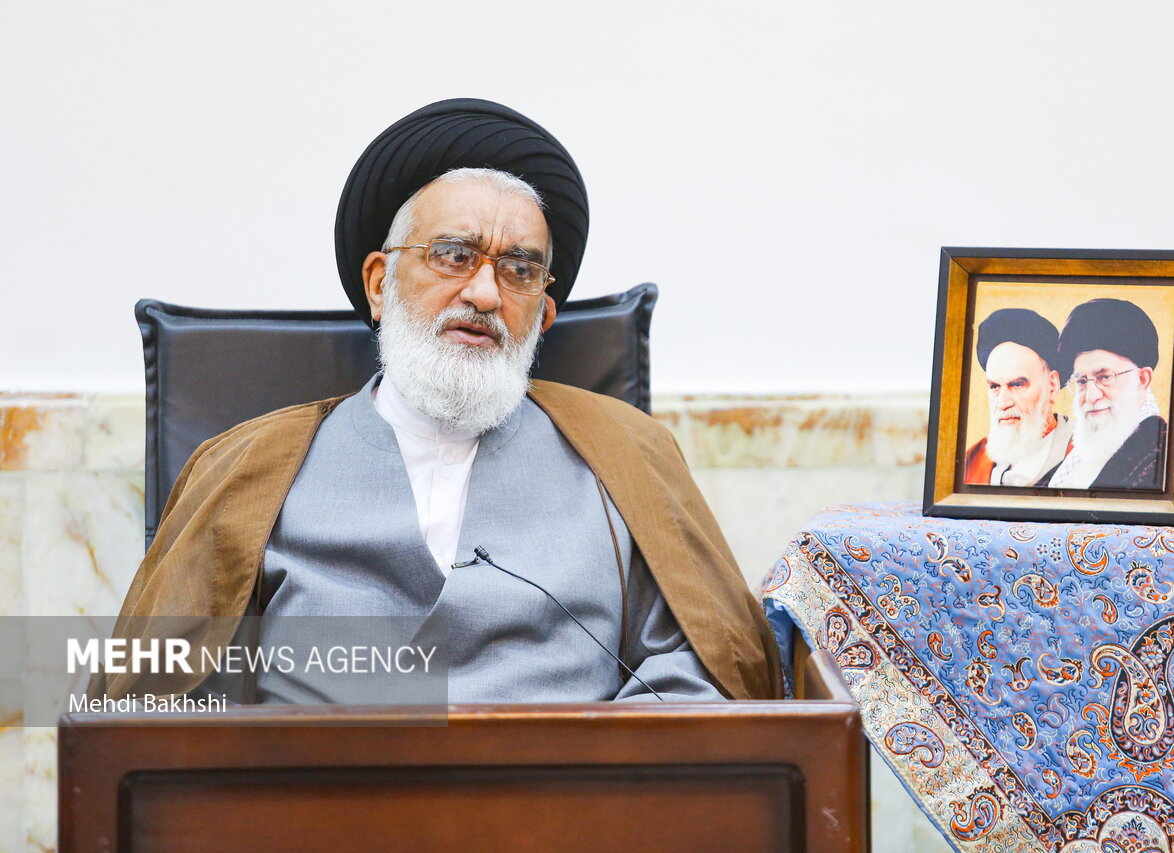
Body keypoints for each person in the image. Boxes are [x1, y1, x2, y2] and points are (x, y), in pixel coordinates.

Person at [101, 99, 781, 704]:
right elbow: (162, 713)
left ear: (542, 316)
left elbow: (698, 675)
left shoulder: (628, 457)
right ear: (380, 283)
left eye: (519, 269)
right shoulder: (247, 470)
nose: (484, 293)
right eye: (453, 255)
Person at [1047, 298, 1167, 491]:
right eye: (1082, 381)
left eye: (1105, 377)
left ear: (1142, 379)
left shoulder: (1161, 457)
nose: (1091, 396)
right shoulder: (1073, 458)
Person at [964, 308, 1073, 486]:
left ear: (1052, 386)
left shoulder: (1085, 455)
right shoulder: (973, 462)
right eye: (994, 387)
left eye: (1017, 385)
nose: (1003, 403)